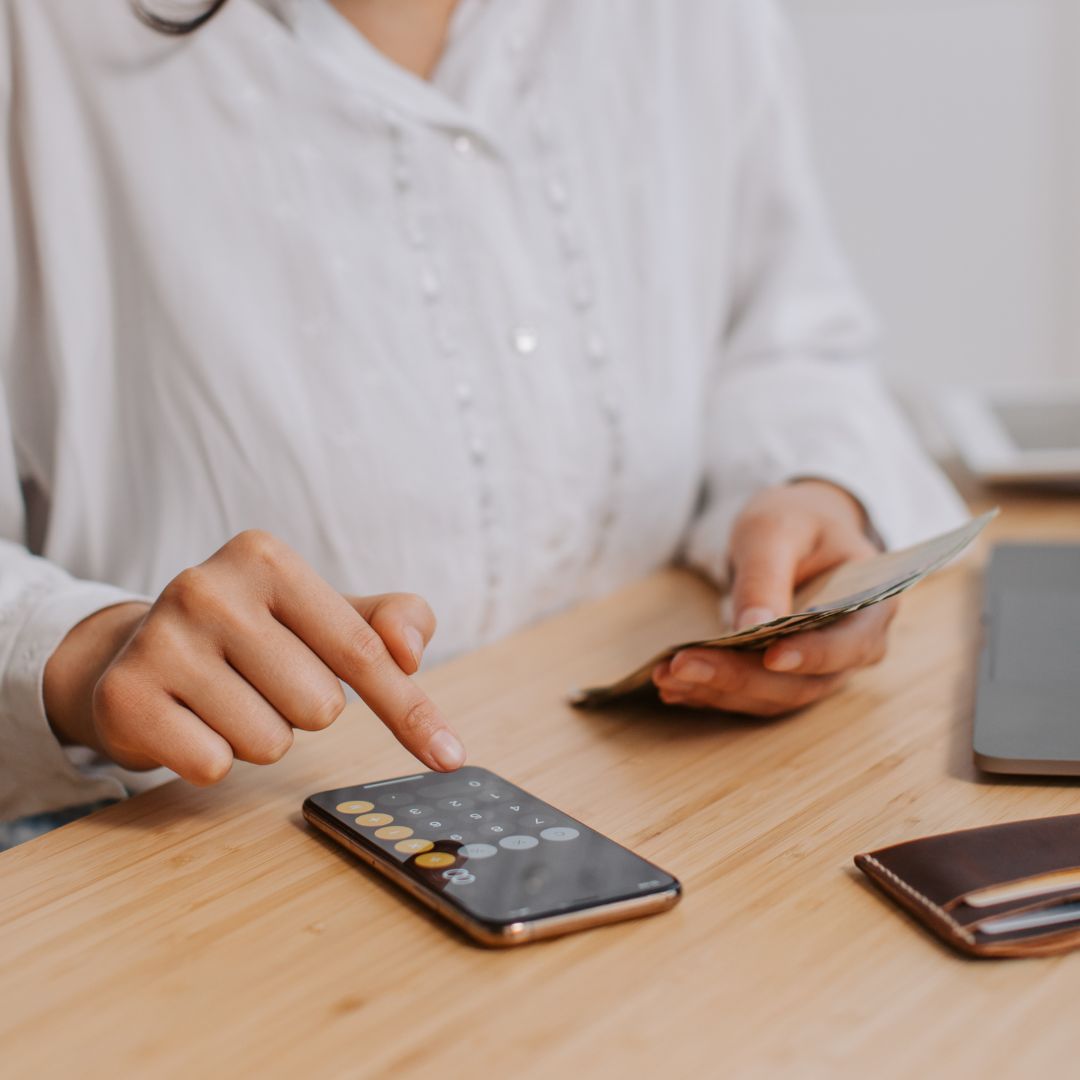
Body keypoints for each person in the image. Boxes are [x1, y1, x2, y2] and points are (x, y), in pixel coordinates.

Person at [0, 0, 965, 834]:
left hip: (674, 800)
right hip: (189, 862)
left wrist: (814, 492)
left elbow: (785, 340)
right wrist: (82, 651)